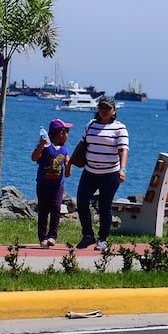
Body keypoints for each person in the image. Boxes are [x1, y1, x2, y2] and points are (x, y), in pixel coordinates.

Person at [67, 94, 128, 251]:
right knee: (81, 201)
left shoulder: (120, 128)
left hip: (110, 174)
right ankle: (87, 235)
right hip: (90, 172)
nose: (104, 111)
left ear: (114, 111)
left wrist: (122, 169)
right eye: (101, 108)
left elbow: (123, 150)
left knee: (104, 206)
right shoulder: (91, 125)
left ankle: (102, 238)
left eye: (107, 108)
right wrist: (70, 162)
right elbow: (82, 144)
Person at [31, 117, 72, 248]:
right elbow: (34, 157)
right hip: (43, 183)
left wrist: (68, 168)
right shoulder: (45, 146)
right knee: (43, 209)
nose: (68, 135)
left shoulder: (64, 148)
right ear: (61, 133)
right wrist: (41, 146)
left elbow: (67, 160)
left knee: (56, 208)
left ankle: (52, 236)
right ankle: (42, 237)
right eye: (67, 132)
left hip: (57, 185)